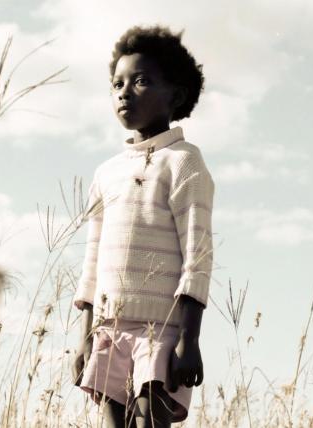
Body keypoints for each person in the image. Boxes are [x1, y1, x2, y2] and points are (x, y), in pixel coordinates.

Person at [71, 24, 214, 428]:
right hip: (109, 326)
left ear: (177, 95)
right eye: (117, 83)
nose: (124, 91)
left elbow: (197, 255)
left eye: (141, 81)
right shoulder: (107, 173)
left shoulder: (184, 162)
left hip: (162, 329)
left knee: (152, 421)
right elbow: (93, 257)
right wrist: (85, 334)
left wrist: (190, 338)